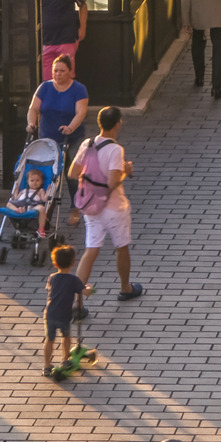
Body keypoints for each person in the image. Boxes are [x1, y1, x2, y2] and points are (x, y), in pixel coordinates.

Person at [72, 107, 142, 303]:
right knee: (121, 246)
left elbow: (73, 172)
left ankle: (77, 303)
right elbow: (112, 182)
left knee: (91, 249)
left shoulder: (87, 144)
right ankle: (125, 288)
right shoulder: (115, 150)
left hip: (90, 206)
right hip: (114, 208)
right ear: (118, 124)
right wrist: (126, 171)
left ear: (99, 122)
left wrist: (90, 179)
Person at [27, 54, 89, 157]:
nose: (58, 74)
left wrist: (70, 128)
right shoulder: (44, 87)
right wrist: (31, 123)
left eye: (62, 71)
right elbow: (33, 108)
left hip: (72, 139)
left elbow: (81, 113)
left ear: (70, 71)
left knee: (71, 168)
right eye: (55, 71)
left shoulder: (79, 89)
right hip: (47, 139)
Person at [38, 0, 88, 73]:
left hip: (66, 38)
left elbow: (83, 5)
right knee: (48, 78)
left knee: (66, 74)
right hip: (46, 39)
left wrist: (82, 28)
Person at [43, 244, 82, 379]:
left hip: (50, 313)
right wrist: (89, 288)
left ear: (54, 263)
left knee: (50, 339)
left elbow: (50, 289)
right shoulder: (73, 280)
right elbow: (83, 291)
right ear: (73, 263)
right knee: (66, 336)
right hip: (64, 314)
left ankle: (47, 366)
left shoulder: (52, 278)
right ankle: (65, 360)